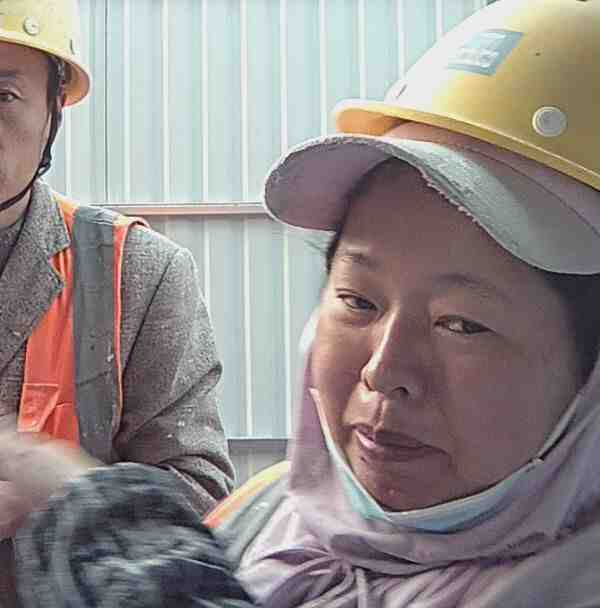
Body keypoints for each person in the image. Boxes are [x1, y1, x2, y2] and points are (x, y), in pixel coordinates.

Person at [3, 0, 600, 606]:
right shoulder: (270, 515)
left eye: (462, 323)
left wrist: (78, 513)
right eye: (358, 300)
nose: (384, 370)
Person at [0, 0, 234, 603]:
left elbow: (198, 499)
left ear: (54, 109)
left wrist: (61, 497)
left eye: (2, 95)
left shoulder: (137, 274)